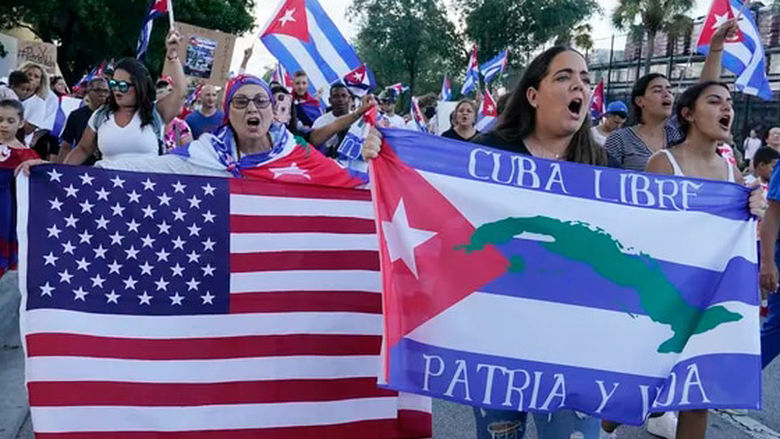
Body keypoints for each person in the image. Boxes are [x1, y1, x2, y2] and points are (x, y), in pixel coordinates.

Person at [366, 45, 606, 439]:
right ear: (533, 95)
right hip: (497, 339)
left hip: (572, 344)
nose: (578, 85)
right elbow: (435, 206)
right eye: (564, 77)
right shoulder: (489, 154)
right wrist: (384, 154)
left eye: (584, 78)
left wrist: (743, 206)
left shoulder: (598, 164)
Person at [646, 81, 764, 439]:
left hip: (710, 297)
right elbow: (641, 229)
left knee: (698, 396)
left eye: (729, 103)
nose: (726, 109)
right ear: (689, 114)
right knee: (640, 390)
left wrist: (752, 208)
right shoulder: (662, 163)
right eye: (714, 102)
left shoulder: (734, 176)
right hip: (663, 296)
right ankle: (613, 419)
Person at [18, 74, 367, 190]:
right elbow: (147, 167)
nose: (252, 109)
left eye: (260, 101)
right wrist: (55, 172)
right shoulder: (205, 154)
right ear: (227, 113)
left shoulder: (295, 153)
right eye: (241, 102)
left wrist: (379, 157)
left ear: (273, 112)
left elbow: (350, 183)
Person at [604, 22, 730, 171]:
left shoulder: (678, 134)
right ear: (640, 101)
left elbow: (706, 91)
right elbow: (607, 181)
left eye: (669, 90)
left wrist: (715, 47)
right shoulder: (619, 140)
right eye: (658, 90)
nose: (667, 94)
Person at [62, 29, 186, 166]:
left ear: (140, 87)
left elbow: (180, 92)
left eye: (123, 86)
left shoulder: (156, 112)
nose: (116, 90)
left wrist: (172, 55)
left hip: (145, 185)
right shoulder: (101, 115)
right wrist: (60, 174)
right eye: (113, 84)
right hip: (107, 184)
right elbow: (83, 149)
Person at [57, 77, 110, 164]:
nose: (103, 94)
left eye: (106, 91)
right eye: (98, 90)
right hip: (82, 168)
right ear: (88, 92)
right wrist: (60, 169)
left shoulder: (114, 115)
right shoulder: (76, 115)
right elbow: (66, 146)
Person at [311, 83, 356, 156]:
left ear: (349, 99)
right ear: (330, 100)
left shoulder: (359, 121)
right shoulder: (320, 122)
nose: (340, 99)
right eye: (336, 96)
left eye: (344, 96)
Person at [156, 76, 192, 151]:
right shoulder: (147, 122)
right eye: (160, 91)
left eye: (170, 91)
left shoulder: (181, 127)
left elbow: (188, 155)